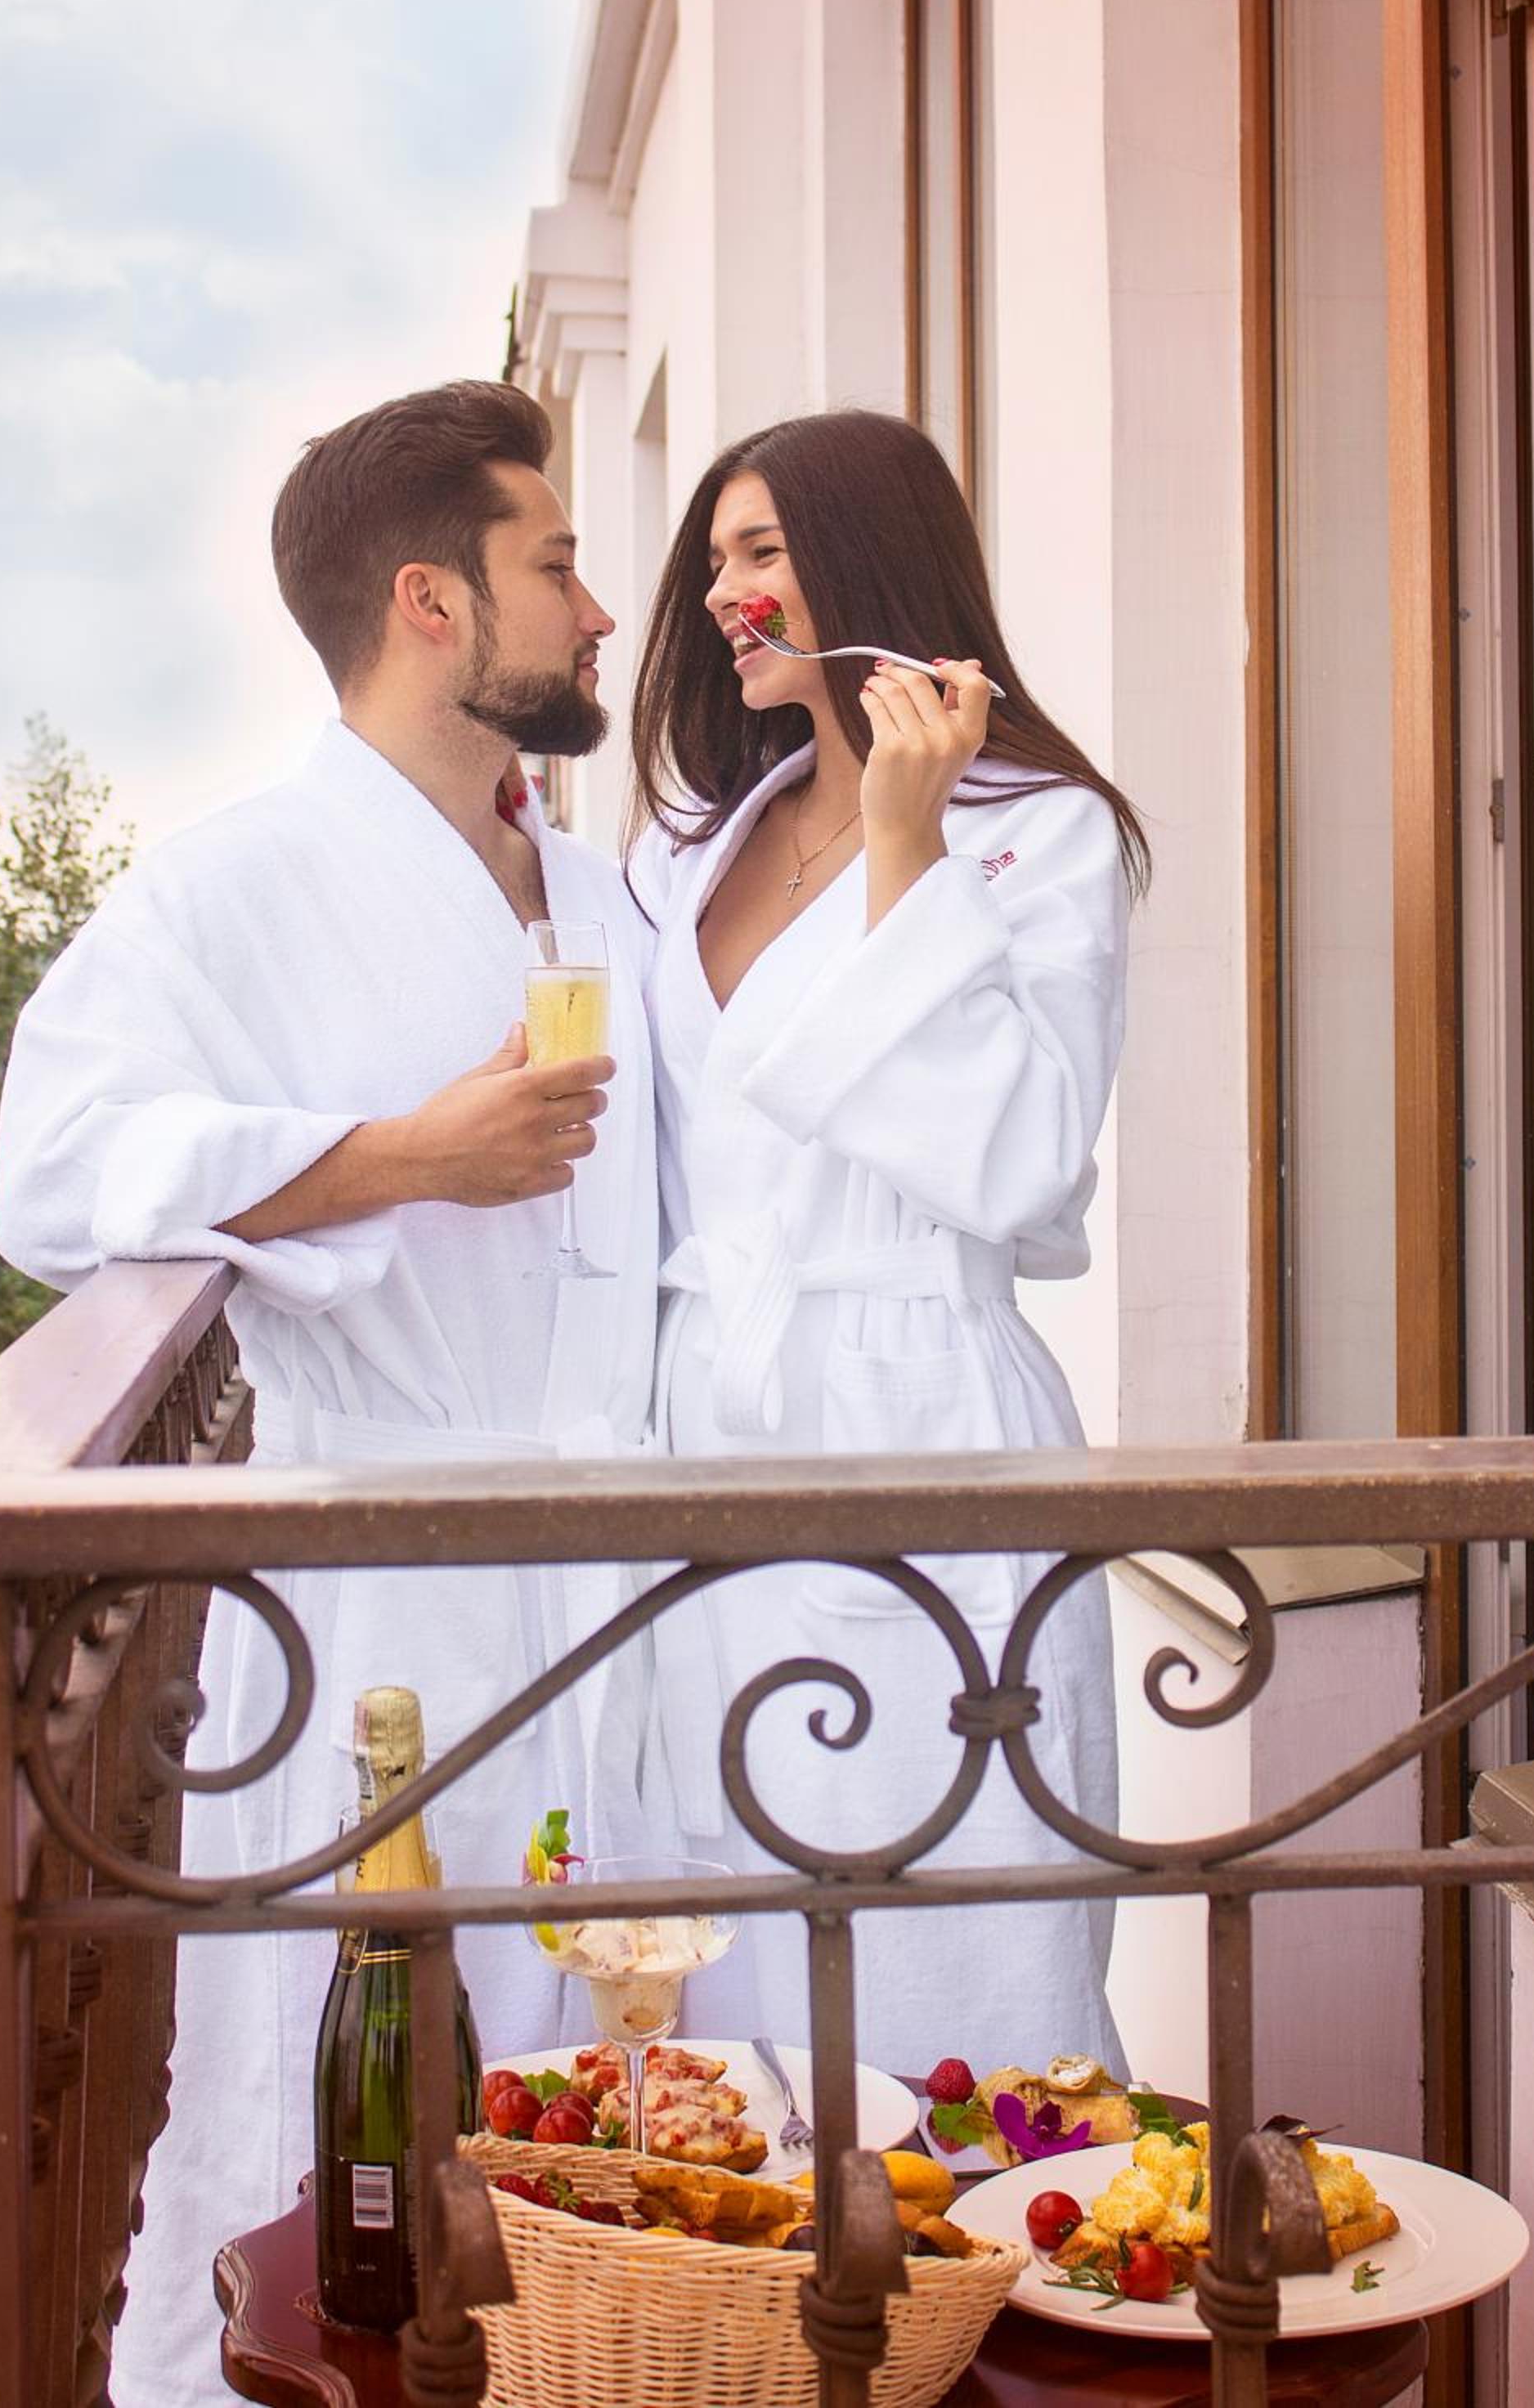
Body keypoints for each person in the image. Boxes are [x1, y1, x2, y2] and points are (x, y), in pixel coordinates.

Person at [0, 380, 660, 2408]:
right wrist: (397, 1158)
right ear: (431, 601)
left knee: (609, 2114)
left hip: (627, 1574)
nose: (600, 611)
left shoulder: (594, 886)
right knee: (358, 2103)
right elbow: (55, 1169)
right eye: (558, 564)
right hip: (390, 1597)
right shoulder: (238, 886)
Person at [629, 408, 1148, 2078]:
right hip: (707, 1427)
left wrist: (913, 852)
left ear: (869, 557)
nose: (727, 594)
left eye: (764, 552)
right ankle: (752, 2240)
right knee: (727, 1911)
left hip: (922, 1413)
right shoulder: (700, 844)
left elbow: (1021, 1155)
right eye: (714, 560)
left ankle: (971, 2229)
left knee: (950, 1931)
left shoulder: (1040, 829)